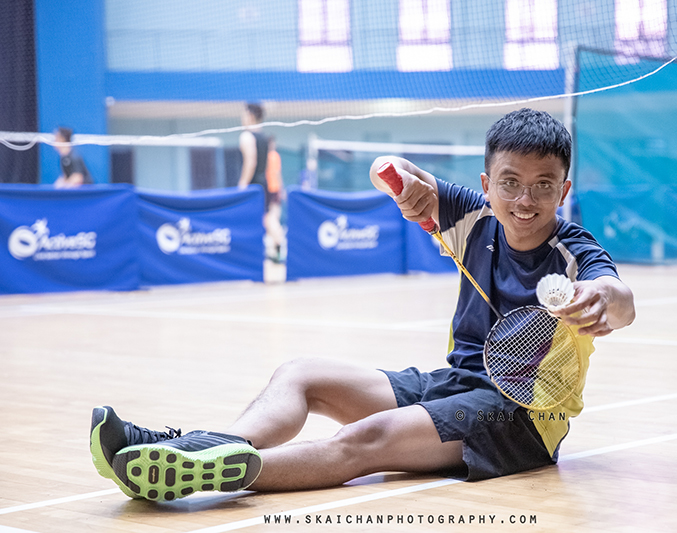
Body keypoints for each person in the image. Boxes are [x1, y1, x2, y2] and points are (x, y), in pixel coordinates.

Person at [90, 108, 635, 502]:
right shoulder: (475, 217)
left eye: (543, 186)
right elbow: (394, 169)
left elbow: (621, 299)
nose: (524, 200)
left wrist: (599, 299)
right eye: (510, 183)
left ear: (563, 191)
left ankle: (205, 471)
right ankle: (197, 447)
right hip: (455, 382)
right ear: (487, 184)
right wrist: (399, 179)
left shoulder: (574, 252)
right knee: (301, 374)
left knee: (364, 440)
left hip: (522, 419)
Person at [237, 103, 285, 262]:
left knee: (264, 219)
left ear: (250, 116)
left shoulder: (246, 136)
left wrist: (243, 184)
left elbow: (251, 162)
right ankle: (275, 248)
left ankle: (279, 247)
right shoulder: (265, 137)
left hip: (253, 186)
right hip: (262, 183)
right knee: (266, 218)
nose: (241, 118)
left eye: (243, 114)